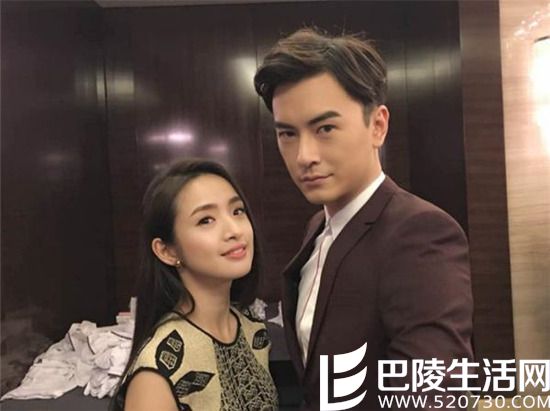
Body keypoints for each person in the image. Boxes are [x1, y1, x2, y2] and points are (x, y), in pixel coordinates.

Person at [254, 28, 474, 410]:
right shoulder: (318, 227)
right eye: (287, 134)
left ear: (378, 126)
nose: (304, 155)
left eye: (325, 128)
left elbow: (436, 395)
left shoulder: (419, 233)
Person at [111, 159, 278, 411]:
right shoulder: (157, 372)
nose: (234, 230)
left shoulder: (253, 330)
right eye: (206, 220)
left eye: (237, 211)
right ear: (167, 251)